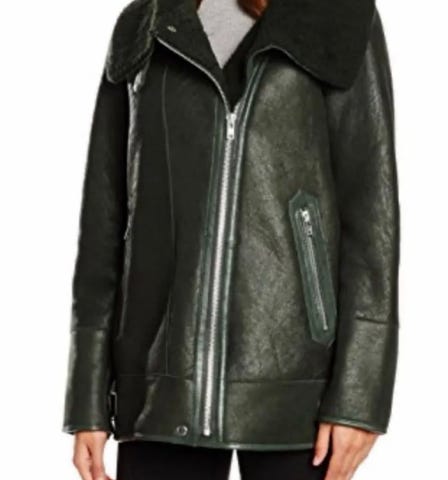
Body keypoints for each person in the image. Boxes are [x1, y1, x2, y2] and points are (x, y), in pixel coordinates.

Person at [62, 0, 400, 478]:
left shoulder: (336, 15)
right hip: (159, 390)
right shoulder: (146, 24)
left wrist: (359, 398)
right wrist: (88, 399)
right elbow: (104, 219)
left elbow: (371, 216)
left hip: (299, 387)